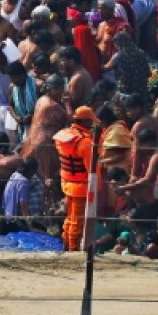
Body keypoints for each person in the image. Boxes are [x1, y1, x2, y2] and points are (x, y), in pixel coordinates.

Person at [55, 106, 98, 251]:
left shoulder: (63, 136)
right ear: (85, 121)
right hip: (81, 187)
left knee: (69, 219)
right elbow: (92, 169)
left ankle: (66, 246)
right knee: (76, 222)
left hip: (66, 183)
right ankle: (73, 251)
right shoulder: (85, 142)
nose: (92, 125)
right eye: (90, 122)